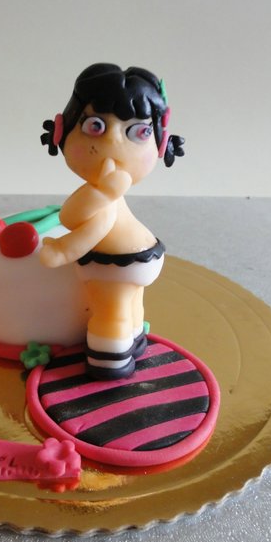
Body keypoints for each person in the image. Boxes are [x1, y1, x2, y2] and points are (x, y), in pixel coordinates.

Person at [39, 63, 185, 379]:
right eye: (95, 126)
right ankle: (135, 337)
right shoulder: (106, 190)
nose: (113, 143)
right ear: (62, 130)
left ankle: (110, 358)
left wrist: (62, 251)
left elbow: (94, 227)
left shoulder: (105, 193)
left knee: (111, 312)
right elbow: (76, 217)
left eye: (139, 132)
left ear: (160, 144)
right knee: (132, 304)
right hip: (142, 252)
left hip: (117, 262)